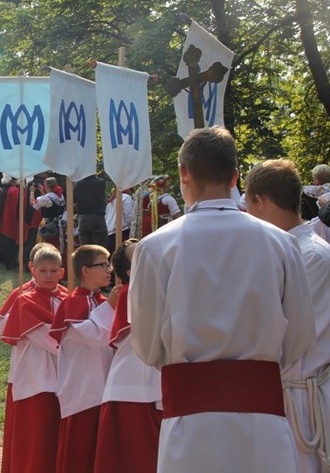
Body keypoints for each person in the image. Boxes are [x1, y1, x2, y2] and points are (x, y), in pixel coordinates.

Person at [130, 126, 316, 473]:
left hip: (190, 423)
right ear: (235, 177)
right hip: (262, 423)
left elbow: (146, 345)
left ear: (184, 173)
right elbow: (300, 335)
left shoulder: (155, 247)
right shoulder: (281, 243)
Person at [244, 158, 330, 473]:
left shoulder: (312, 254)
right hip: (278, 395)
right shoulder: (285, 249)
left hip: (301, 402)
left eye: (247, 204)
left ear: (260, 200)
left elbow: (280, 335)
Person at [94, 239, 162, 473]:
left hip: (158, 386)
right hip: (133, 388)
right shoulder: (129, 293)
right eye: (140, 255)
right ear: (130, 271)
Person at [49, 245, 116, 473]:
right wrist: (111, 306)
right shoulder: (71, 304)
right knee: (79, 453)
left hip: (106, 385)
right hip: (82, 388)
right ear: (85, 270)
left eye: (109, 264)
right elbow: (94, 336)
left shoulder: (104, 300)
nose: (109, 270)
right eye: (103, 265)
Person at [0, 248, 68, 473]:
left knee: (55, 437)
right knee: (35, 438)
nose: (48, 275)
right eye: (43, 270)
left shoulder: (68, 298)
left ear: (62, 272)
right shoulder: (24, 301)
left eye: (53, 270)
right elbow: (49, 339)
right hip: (35, 377)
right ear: (33, 271)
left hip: (63, 377)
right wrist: (78, 346)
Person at [74, 174, 107, 249]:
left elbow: (75, 201)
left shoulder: (78, 184)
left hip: (83, 218)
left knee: (86, 250)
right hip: (98, 218)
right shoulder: (101, 182)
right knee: (100, 249)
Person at [0, 174, 20, 270]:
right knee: (11, 244)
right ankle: (12, 264)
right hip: (12, 221)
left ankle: (7, 263)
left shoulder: (3, 191)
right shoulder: (14, 191)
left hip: (2, 221)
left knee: (5, 243)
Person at [105, 187, 133, 253]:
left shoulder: (110, 201)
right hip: (122, 231)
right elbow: (129, 215)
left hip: (109, 234)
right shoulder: (126, 197)